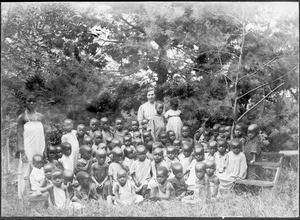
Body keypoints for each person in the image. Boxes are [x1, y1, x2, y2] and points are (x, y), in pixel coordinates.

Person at [17, 94, 47, 199]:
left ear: (36, 102)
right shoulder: (22, 118)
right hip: (28, 147)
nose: (31, 103)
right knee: (26, 170)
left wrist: (45, 150)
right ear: (25, 102)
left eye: (33, 101)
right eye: (29, 101)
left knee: (39, 168)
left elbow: (44, 134)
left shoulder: (41, 117)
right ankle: (24, 194)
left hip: (39, 147)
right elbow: (19, 135)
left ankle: (39, 191)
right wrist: (22, 152)